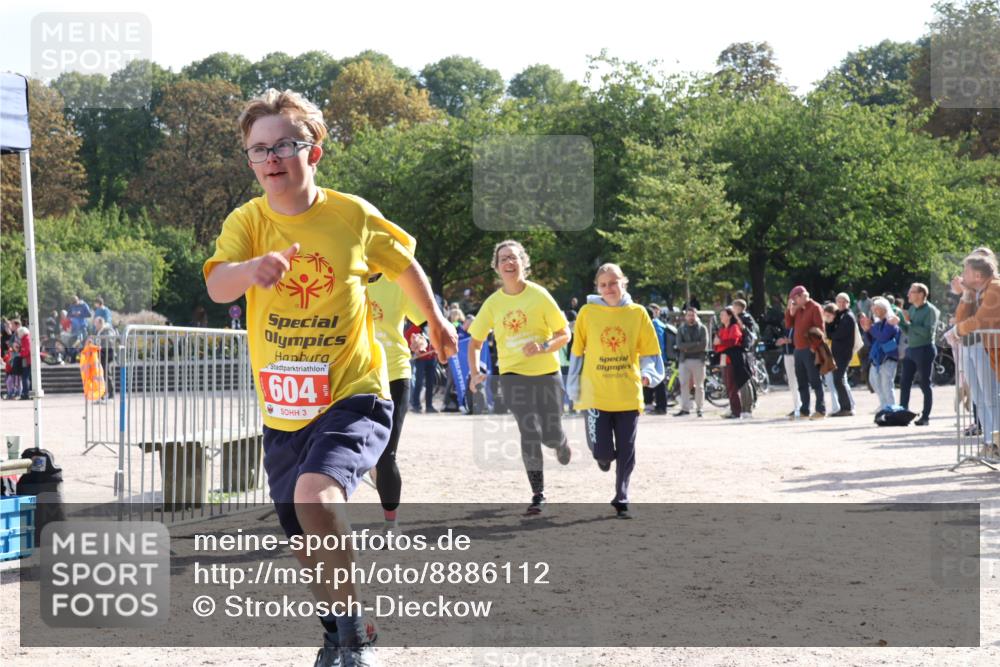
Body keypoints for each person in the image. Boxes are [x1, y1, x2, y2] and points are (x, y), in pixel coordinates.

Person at [203, 88, 457, 667]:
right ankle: (342, 630)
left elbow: (404, 264)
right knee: (306, 537)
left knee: (314, 496)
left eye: (284, 145)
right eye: (257, 150)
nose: (270, 158)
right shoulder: (246, 221)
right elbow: (218, 285)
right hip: (283, 410)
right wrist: (251, 268)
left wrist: (436, 319)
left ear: (313, 153)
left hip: (354, 393)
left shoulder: (351, 215)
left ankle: (353, 639)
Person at [468, 240, 572, 515]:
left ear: (523, 262)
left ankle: (560, 442)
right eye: (503, 259)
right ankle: (538, 494)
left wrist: (544, 346)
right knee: (529, 431)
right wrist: (476, 371)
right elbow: (475, 342)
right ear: (497, 267)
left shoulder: (540, 296)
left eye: (513, 257)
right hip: (513, 375)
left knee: (549, 434)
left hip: (547, 373)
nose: (509, 262)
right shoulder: (493, 303)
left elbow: (565, 333)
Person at [566, 263, 663, 519]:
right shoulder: (587, 313)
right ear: (597, 288)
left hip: (628, 392)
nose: (609, 288)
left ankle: (621, 497)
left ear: (624, 283)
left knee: (627, 447)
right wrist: (573, 385)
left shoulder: (638, 313)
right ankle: (603, 458)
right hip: (595, 393)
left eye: (613, 282)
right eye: (603, 284)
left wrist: (649, 374)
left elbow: (651, 351)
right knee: (602, 451)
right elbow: (577, 352)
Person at [367, 274, 430, 539]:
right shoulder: (344, 276)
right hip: (353, 376)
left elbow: (424, 322)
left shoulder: (396, 283)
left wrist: (421, 340)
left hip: (394, 374)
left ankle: (390, 524)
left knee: (386, 455)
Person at [952, 251, 1000, 447]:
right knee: (982, 399)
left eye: (966, 271)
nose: (962, 275)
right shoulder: (979, 290)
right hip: (980, 348)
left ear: (978, 276)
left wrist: (956, 331)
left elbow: (978, 322)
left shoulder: (995, 288)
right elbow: (961, 319)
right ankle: (991, 443)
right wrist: (966, 295)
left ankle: (996, 444)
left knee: (991, 398)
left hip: (988, 349)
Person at [898, 283, 940, 426]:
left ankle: (925, 417)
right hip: (911, 349)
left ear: (921, 294)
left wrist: (910, 322)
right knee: (904, 382)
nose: (908, 295)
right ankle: (902, 413)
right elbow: (909, 330)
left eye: (912, 292)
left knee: (924, 384)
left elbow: (927, 333)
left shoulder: (931, 310)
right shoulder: (912, 309)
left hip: (925, 349)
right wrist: (900, 323)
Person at [785, 286, 827, 419]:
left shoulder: (815, 307)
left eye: (794, 299)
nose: (794, 302)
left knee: (815, 380)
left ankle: (820, 409)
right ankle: (804, 410)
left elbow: (820, 328)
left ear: (801, 296)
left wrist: (814, 347)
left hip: (810, 349)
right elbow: (788, 324)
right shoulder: (798, 309)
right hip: (798, 349)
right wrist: (790, 310)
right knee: (801, 380)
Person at [861, 298, 901, 411]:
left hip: (888, 358)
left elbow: (883, 337)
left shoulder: (890, 322)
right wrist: (866, 330)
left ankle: (891, 408)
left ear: (884, 309)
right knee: (874, 382)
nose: (875, 311)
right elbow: (871, 341)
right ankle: (884, 405)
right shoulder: (877, 324)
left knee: (887, 385)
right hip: (877, 358)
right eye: (874, 309)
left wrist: (870, 329)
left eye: (877, 308)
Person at [714, 307, 749, 419]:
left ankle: (736, 411)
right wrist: (720, 343)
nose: (721, 317)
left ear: (729, 316)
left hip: (733, 360)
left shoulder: (734, 327)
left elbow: (733, 341)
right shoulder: (722, 329)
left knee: (733, 386)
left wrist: (721, 342)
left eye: (723, 315)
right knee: (728, 385)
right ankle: (734, 409)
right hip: (725, 359)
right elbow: (716, 344)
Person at [828, 293, 858, 417]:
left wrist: (831, 327)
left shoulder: (848, 317)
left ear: (848, 303)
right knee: (838, 379)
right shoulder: (839, 316)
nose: (841, 304)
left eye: (843, 301)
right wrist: (829, 321)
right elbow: (829, 333)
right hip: (837, 352)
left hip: (843, 353)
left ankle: (847, 407)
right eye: (838, 301)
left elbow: (837, 335)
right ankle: (844, 407)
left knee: (838, 379)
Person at [674, 306, 707, 417]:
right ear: (685, 316)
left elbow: (703, 345)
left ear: (696, 315)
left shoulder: (702, 328)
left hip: (699, 360)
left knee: (699, 386)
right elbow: (679, 345)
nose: (691, 317)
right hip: (684, 360)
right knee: (683, 384)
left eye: (693, 315)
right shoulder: (681, 329)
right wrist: (695, 344)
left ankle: (700, 408)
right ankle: (685, 408)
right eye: (688, 315)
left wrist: (687, 347)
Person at [731, 298, 758, 416]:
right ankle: (743, 406)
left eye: (734, 307)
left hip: (746, 351)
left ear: (739, 308)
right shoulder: (744, 317)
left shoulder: (745, 317)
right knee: (742, 380)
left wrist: (735, 317)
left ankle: (748, 407)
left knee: (745, 379)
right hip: (742, 351)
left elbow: (744, 330)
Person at [406, 321, 438, 413]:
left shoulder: (434, 326)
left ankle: (429, 406)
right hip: (421, 359)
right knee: (419, 382)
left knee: (430, 383)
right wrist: (414, 349)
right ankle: (416, 405)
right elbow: (407, 336)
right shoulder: (418, 326)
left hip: (431, 358)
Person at [642, 303, 668, 415]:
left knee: (659, 383)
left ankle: (661, 407)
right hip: (654, 358)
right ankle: (653, 405)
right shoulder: (654, 324)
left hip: (656, 358)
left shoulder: (654, 325)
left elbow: (659, 344)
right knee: (653, 382)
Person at [92, 316, 118, 400]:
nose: (94, 325)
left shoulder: (107, 330)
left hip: (107, 355)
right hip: (101, 355)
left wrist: (100, 347)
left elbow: (109, 342)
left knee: (107, 374)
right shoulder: (99, 331)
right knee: (101, 375)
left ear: (100, 323)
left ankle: (111, 394)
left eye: (96, 323)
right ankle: (102, 394)